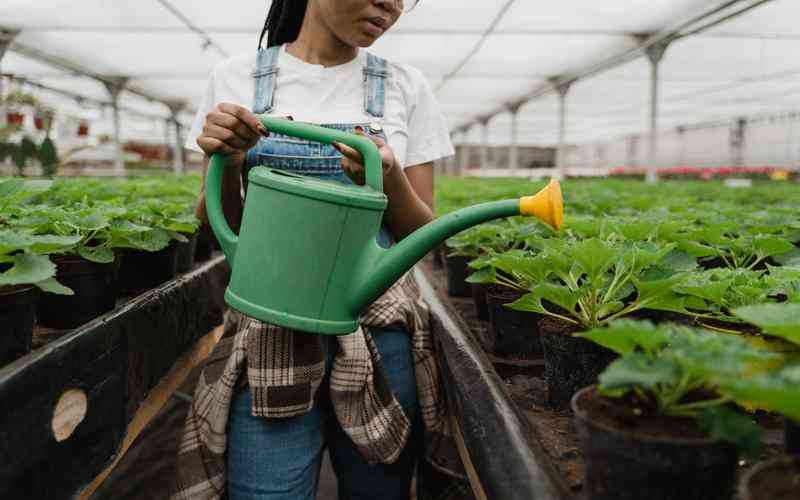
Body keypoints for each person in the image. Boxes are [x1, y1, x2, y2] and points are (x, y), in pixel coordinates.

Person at [172, 1, 458, 499]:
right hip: (270, 331)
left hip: (379, 331)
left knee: (379, 491)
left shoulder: (405, 86)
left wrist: (387, 177)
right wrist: (230, 160)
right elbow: (225, 224)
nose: (389, 5)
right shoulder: (237, 77)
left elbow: (421, 234)